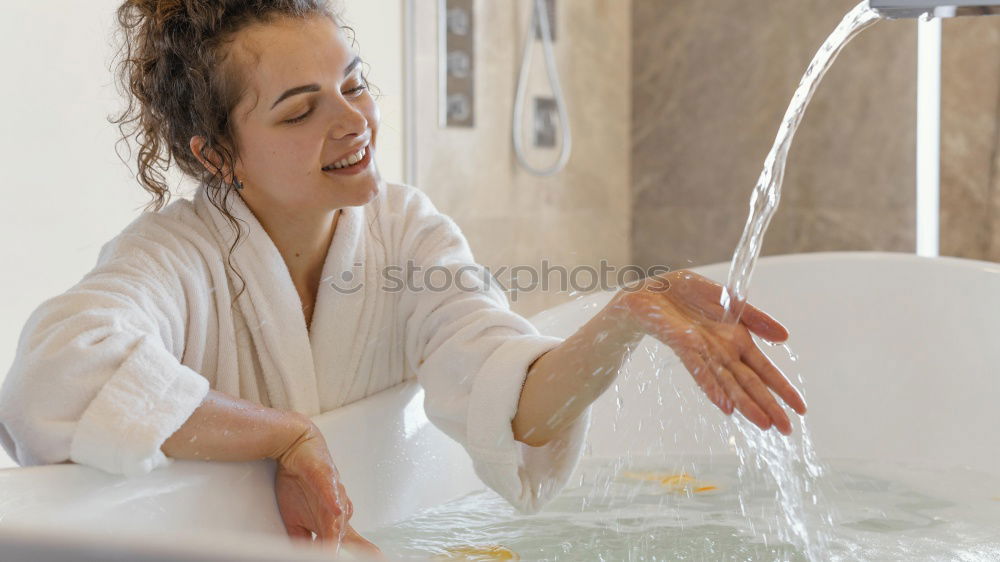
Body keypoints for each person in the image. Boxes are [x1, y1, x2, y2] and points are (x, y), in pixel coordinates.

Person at [0, 0, 807, 557]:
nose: (353, 122)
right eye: (299, 109)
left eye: (353, 84)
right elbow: (54, 374)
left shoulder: (406, 232)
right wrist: (283, 435)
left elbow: (507, 394)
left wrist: (626, 317)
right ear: (216, 154)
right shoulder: (177, 256)